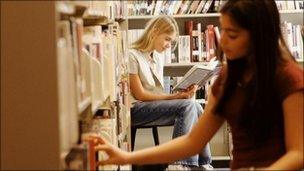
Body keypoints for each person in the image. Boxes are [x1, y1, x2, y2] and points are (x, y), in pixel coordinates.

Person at [89, 0, 303, 170]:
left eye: (232, 34)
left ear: (259, 36)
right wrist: (127, 157)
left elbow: (299, 153)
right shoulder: (227, 79)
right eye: (223, 32)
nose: (223, 43)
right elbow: (192, 141)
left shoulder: (289, 79)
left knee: (192, 106)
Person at [127, 15, 212, 169]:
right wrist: (176, 97)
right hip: (136, 109)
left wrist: (181, 92)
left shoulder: (157, 57)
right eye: (167, 39)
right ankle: (180, 163)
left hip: (152, 106)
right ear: (154, 32)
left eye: (170, 42)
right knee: (186, 106)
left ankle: (203, 163)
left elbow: (158, 92)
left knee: (196, 106)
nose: (168, 45)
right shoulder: (131, 55)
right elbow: (140, 95)